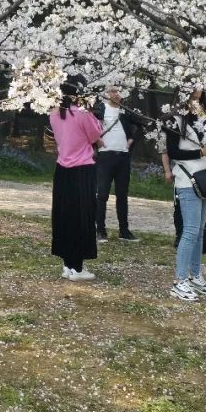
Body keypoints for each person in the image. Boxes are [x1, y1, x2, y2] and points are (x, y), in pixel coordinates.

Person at [161, 89, 206, 302]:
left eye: (200, 99)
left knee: (200, 232)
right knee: (190, 231)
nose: (197, 102)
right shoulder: (174, 121)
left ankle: (195, 275)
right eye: (194, 98)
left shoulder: (198, 122)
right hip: (187, 181)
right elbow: (173, 152)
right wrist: (200, 153)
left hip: (202, 178)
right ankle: (180, 280)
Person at [49, 74, 102, 282]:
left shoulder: (54, 114)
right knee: (82, 216)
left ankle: (67, 264)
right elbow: (95, 136)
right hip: (82, 170)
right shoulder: (83, 114)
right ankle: (78, 267)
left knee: (64, 215)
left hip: (62, 169)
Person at [92, 86, 141, 242]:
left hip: (123, 157)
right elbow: (90, 126)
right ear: (106, 93)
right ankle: (100, 230)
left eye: (119, 91)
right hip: (105, 156)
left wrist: (132, 140)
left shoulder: (125, 111)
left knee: (122, 195)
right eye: (113, 91)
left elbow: (141, 125)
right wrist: (95, 142)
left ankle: (124, 230)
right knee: (102, 194)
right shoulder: (100, 109)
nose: (116, 94)